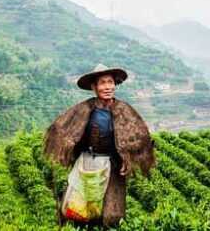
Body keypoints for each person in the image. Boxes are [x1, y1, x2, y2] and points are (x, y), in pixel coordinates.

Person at [43, 64, 156, 228]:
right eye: (102, 83)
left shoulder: (125, 110)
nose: (108, 87)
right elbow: (62, 130)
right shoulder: (83, 109)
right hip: (89, 164)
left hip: (114, 168)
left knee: (112, 214)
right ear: (94, 87)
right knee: (81, 210)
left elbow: (140, 137)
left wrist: (128, 159)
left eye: (110, 82)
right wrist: (70, 151)